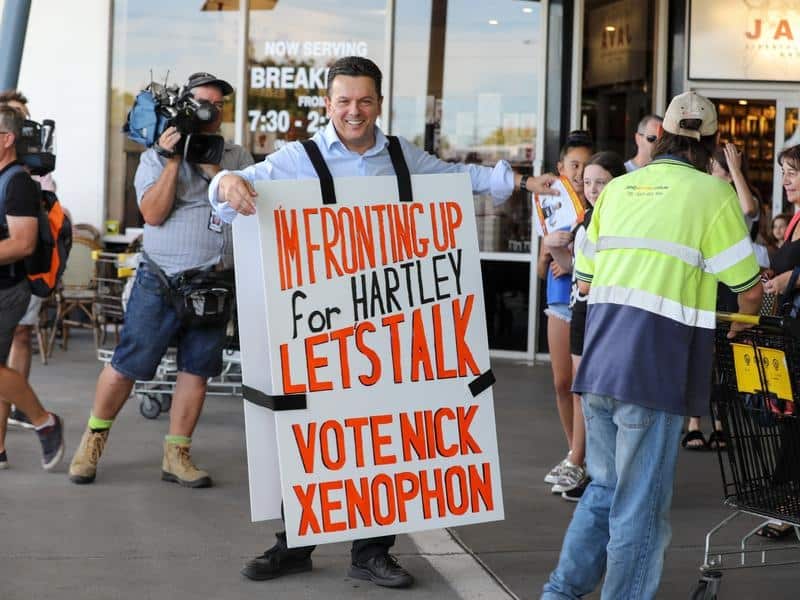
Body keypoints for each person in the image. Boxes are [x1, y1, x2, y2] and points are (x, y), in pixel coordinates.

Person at [209, 55, 558, 590]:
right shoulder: (297, 159)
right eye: (344, 101)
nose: (355, 111)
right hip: (318, 330)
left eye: (365, 101)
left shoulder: (400, 155)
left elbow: (457, 178)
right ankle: (294, 545)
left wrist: (519, 182)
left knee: (377, 435)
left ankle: (371, 552)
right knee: (312, 433)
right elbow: (231, 190)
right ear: (327, 104)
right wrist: (228, 184)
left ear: (379, 104)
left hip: (384, 327)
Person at [542, 91, 763, 599]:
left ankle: (560, 592)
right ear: (711, 142)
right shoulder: (712, 196)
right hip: (655, 369)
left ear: (659, 135)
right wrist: (743, 321)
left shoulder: (619, 190)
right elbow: (748, 288)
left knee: (603, 491)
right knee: (640, 508)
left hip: (599, 364)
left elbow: (589, 275)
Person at [67, 72, 254, 488]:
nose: (210, 111)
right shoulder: (155, 155)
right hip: (161, 280)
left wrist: (211, 166)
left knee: (197, 369)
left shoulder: (237, 157)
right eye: (202, 102)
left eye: (218, 104)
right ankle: (92, 442)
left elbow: (249, 202)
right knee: (127, 364)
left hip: (215, 282)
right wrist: (175, 158)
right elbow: (152, 214)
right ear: (185, 106)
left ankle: (177, 454)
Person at [545, 151, 626, 502]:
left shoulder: (623, 219)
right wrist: (553, 248)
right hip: (581, 310)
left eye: (601, 182)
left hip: (607, 314)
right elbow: (575, 270)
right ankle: (583, 464)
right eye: (588, 181)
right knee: (580, 389)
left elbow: (599, 276)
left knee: (600, 394)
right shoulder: (586, 218)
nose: (592, 188)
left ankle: (590, 466)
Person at [683, 142, 766, 450]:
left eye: (725, 170)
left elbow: (749, 209)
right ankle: (694, 423)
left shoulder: (738, 196)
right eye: (718, 169)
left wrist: (733, 169)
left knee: (724, 355)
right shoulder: (702, 197)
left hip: (730, 284)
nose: (723, 177)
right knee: (699, 351)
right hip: (704, 282)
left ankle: (720, 424)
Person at [0, 104, 65, 471]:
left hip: (7, 289)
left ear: (7, 139)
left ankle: (44, 421)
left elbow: (22, 243)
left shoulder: (18, 183)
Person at [539, 131, 592, 496]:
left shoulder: (599, 209)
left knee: (579, 386)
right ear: (560, 168)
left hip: (585, 304)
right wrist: (547, 253)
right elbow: (542, 270)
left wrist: (571, 263)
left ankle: (579, 458)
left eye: (587, 168)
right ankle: (573, 451)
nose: (580, 173)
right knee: (560, 383)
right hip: (557, 301)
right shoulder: (551, 205)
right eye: (574, 165)